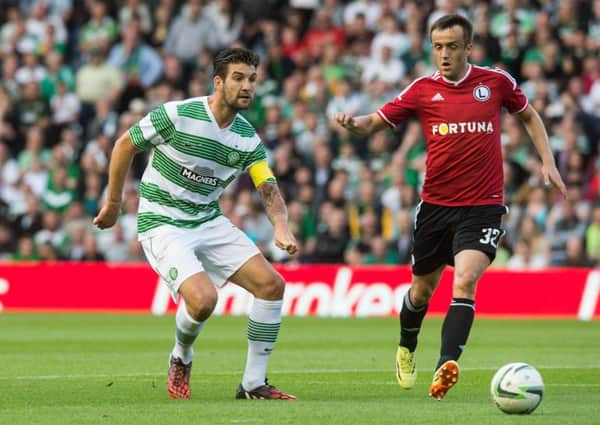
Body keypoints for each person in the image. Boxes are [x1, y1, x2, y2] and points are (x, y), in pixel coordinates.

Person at [334, 14, 567, 401]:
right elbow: (375, 121)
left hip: (483, 205)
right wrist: (353, 123)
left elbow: (528, 115)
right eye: (438, 47)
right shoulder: (423, 90)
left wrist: (549, 161)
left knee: (465, 279)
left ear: (468, 48)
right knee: (421, 292)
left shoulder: (495, 83)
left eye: (452, 46)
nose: (444, 54)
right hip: (435, 207)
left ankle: (445, 365)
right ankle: (407, 346)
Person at [94, 47, 298, 401]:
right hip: (161, 220)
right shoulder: (177, 115)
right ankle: (181, 355)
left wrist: (281, 225)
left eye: (252, 79)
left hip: (207, 219)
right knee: (204, 300)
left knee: (271, 285)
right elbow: (125, 144)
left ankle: (252, 384)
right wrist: (114, 203)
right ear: (218, 82)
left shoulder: (247, 139)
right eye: (238, 78)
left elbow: (267, 187)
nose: (247, 86)